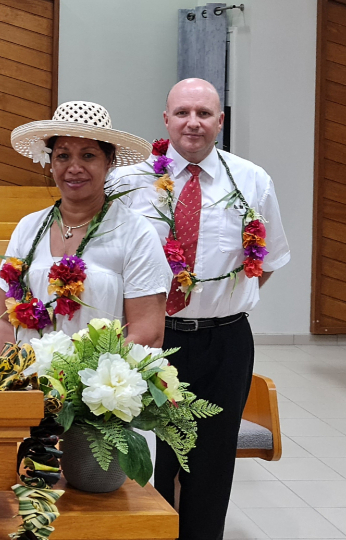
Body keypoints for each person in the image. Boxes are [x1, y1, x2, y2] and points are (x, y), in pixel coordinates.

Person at [111, 78, 290, 540]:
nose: (194, 122)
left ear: (220, 121)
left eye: (205, 113)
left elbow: (265, 262)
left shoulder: (251, 180)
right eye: (183, 112)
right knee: (144, 455)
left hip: (223, 340)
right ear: (166, 118)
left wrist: (223, 302)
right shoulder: (130, 181)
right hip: (152, 336)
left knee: (210, 462)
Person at [0, 101, 171, 349]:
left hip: (101, 382)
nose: (74, 168)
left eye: (88, 155)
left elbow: (147, 334)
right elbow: (1, 320)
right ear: (51, 163)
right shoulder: (28, 228)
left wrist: (83, 378)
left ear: (109, 162)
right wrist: (14, 375)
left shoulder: (136, 233)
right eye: (63, 156)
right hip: (30, 382)